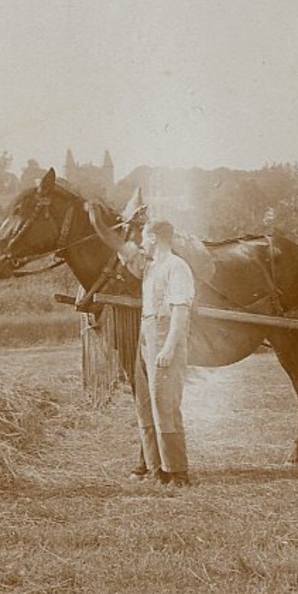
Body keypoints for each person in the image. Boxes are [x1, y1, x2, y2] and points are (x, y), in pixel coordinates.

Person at [88, 207, 196, 485]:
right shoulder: (149, 267)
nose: (141, 244)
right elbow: (125, 250)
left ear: (157, 238)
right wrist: (96, 221)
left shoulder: (176, 267)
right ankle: (156, 468)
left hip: (164, 336)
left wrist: (169, 348)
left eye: (145, 238)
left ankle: (178, 472)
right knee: (144, 404)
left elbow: (181, 312)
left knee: (165, 405)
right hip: (147, 335)